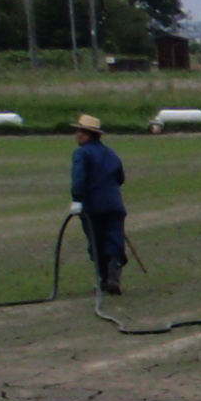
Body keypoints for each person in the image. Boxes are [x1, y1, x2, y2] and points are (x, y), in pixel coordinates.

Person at [68, 115, 127, 295]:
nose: (77, 135)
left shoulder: (82, 153)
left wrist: (77, 199)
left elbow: (79, 179)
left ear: (89, 134)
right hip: (115, 205)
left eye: (80, 131)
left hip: (93, 207)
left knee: (97, 243)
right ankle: (114, 277)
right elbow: (120, 178)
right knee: (115, 240)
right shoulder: (111, 153)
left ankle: (104, 280)